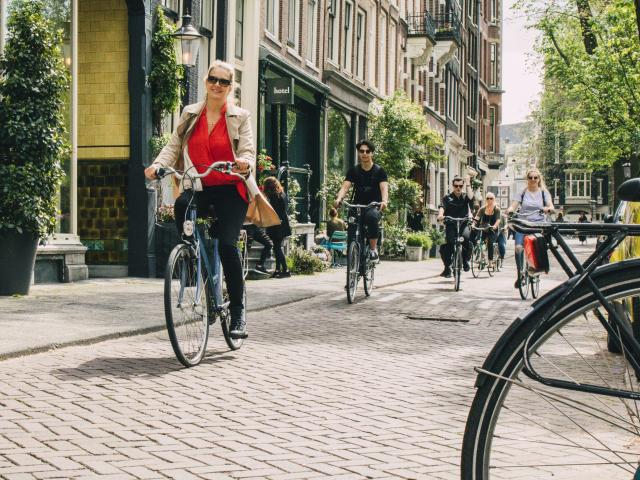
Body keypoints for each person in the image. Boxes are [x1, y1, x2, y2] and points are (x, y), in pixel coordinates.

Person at [144, 60, 253, 339]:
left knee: (227, 245)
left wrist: (243, 162)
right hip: (202, 184)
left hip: (231, 189)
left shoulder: (240, 116)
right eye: (213, 79)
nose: (217, 85)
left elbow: (248, 150)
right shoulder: (191, 113)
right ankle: (193, 256)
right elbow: (174, 145)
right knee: (182, 204)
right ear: (206, 81)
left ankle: (238, 313)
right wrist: (157, 165)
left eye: (224, 82)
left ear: (230, 87)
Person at [334, 139, 389, 262]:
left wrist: (384, 201)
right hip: (357, 205)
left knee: (372, 218)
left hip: (373, 205)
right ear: (358, 153)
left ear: (372, 153)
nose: (364, 153)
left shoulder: (379, 171)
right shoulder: (354, 170)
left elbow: (384, 188)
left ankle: (373, 250)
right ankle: (353, 251)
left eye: (367, 151)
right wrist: (339, 198)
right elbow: (345, 187)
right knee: (352, 227)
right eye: (361, 151)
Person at [506, 168, 555, 288]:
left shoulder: (544, 193)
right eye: (530, 177)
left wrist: (547, 209)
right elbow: (513, 206)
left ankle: (536, 268)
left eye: (535, 177)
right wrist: (510, 210)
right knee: (518, 248)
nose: (533, 180)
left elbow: (551, 207)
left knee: (537, 247)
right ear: (527, 179)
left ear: (539, 179)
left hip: (538, 225)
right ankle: (520, 274)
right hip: (523, 224)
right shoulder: (522, 193)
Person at [437, 174, 476, 278]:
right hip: (451, 224)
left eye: (460, 186)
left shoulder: (465, 196)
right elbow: (442, 207)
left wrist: (468, 183)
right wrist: (441, 215)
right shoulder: (447, 198)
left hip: (463, 223)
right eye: (456, 186)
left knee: (466, 239)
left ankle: (465, 261)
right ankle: (447, 268)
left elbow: (471, 198)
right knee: (449, 243)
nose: (458, 188)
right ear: (452, 186)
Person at [263, 177, 292, 278]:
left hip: (277, 224)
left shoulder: (274, 196)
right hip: (282, 224)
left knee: (277, 248)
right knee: (277, 247)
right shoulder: (282, 194)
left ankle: (286, 270)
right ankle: (278, 270)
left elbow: (274, 211)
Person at [474, 192, 501, 266]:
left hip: (492, 229)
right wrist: (473, 224)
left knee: (490, 243)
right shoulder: (482, 208)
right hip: (483, 228)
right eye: (487, 198)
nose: (489, 200)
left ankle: (490, 261)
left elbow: (498, 219)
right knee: (479, 242)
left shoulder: (496, 209)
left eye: (491, 198)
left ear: (494, 199)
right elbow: (477, 218)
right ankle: (482, 257)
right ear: (486, 199)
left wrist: (495, 226)